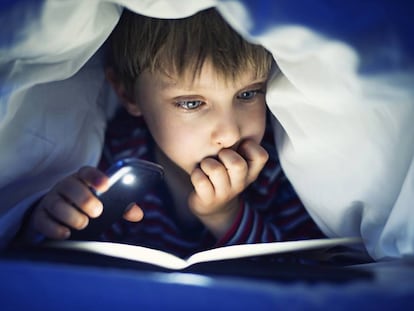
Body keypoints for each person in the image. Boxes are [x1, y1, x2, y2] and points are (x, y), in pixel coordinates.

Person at [15, 8, 324, 257]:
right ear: (128, 94)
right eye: (191, 102)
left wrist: (225, 215)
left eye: (247, 95)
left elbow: (309, 278)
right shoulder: (113, 158)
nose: (229, 134)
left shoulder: (277, 166)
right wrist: (50, 223)